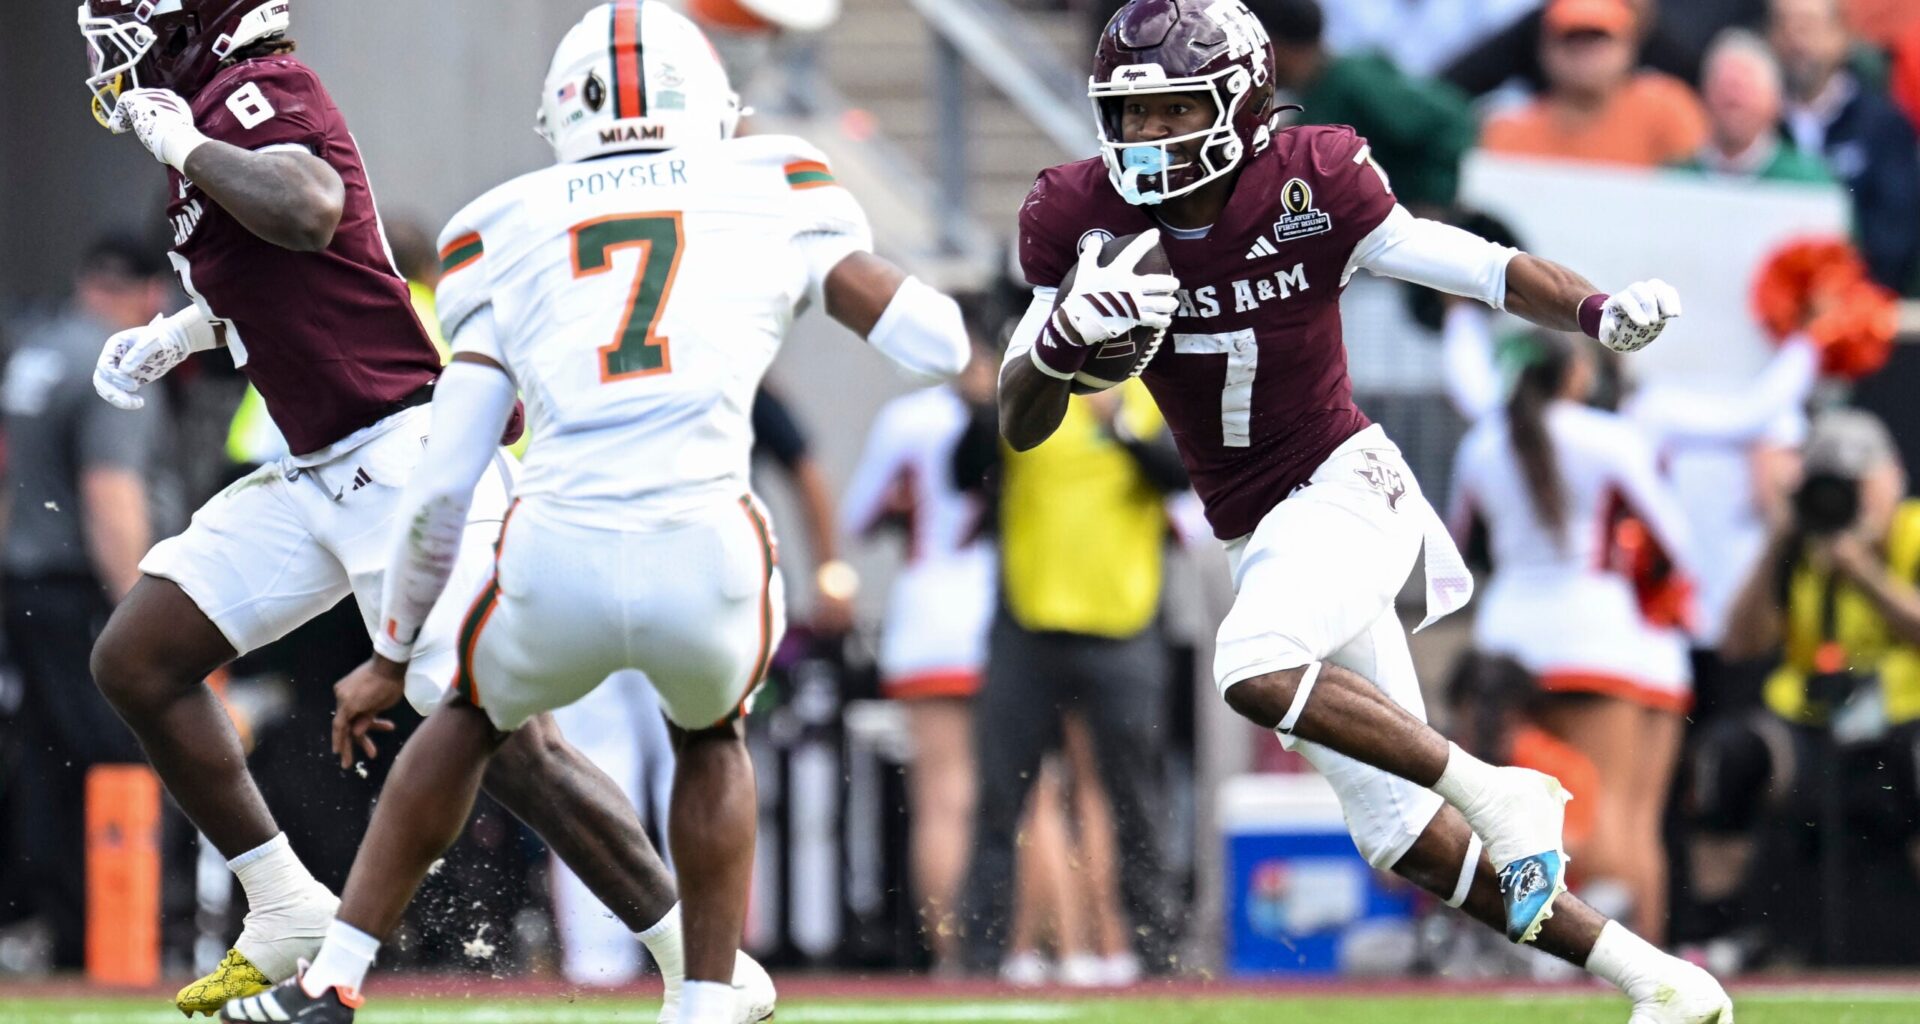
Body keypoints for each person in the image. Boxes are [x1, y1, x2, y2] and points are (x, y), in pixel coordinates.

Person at [998, 2, 1730, 1019]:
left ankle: (1495, 788)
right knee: (1405, 838)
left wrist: (1597, 311)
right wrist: (1060, 342)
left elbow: (1472, 264)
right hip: (1261, 530)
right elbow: (1018, 417)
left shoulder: (1313, 180)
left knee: (1252, 666)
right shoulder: (1081, 220)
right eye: (1132, 116)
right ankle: (1661, 977)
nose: (1149, 140)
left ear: (1242, 101)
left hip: (1346, 484)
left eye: (1173, 112)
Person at [245, 5, 967, 1023]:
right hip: (707, 552)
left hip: (557, 555)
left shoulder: (499, 223)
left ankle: (335, 978)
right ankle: (708, 997)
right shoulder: (775, 183)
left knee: (464, 718)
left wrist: (395, 650)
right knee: (711, 731)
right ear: (710, 106)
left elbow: (447, 477)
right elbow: (934, 343)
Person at [74, 1, 759, 1015]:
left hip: (403, 455)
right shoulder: (212, 122)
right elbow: (299, 276)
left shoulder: (252, 95)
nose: (108, 46)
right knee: (137, 656)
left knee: (510, 742)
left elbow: (306, 207)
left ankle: (705, 964)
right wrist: (186, 332)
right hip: (316, 470)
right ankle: (283, 907)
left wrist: (186, 139)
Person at [1448, 332, 1697, 942]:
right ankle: (1630, 969)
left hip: (1504, 644)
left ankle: (1519, 958)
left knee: (1514, 816)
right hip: (1599, 641)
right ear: (1577, 375)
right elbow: (1677, 545)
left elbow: (1457, 550)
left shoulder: (1481, 443)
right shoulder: (1610, 439)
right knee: (1619, 819)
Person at [958, 378, 1189, 977]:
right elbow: (963, 470)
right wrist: (986, 404)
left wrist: (1116, 424)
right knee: (1000, 794)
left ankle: (1156, 954)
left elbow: (1180, 474)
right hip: (1028, 623)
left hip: (1123, 622)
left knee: (1137, 795)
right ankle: (984, 959)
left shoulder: (1151, 391)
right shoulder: (1032, 382)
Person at [0, 234, 169, 969]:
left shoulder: (36, 352)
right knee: (113, 751)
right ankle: (116, 934)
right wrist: (139, 606)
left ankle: (54, 924)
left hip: (26, 584)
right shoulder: (111, 359)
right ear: (149, 294)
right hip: (80, 588)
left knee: (41, 758)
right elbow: (111, 488)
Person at [1708, 409, 1920, 961]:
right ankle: (1716, 937)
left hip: (1902, 721)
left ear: (1890, 476)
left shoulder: (1914, 530)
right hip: (1810, 720)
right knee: (1729, 759)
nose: (1847, 499)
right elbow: (1738, 643)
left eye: (1856, 484)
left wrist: (1864, 572)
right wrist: (1779, 538)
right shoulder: (1799, 545)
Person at [838, 343, 998, 965]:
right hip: (1011, 614)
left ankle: (955, 960)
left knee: (942, 799)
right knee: (1031, 795)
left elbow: (859, 515)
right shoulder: (1036, 399)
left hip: (931, 614)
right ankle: (1041, 958)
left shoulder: (910, 418)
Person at [1254, 0, 1477, 211]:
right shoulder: (1306, 95)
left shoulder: (1354, 81)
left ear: (1276, 45)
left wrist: (1431, 202)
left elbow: (1449, 120)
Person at [1770, 0, 1920, 293]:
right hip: (1764, 301)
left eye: (1808, 25)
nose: (1796, 39)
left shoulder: (1883, 126)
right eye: (1784, 25)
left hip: (1856, 304)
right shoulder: (1760, 123)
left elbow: (1896, 232)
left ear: (1842, 36)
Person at [1481, 0, 1709, 169]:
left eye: (1598, 38)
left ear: (1628, 46)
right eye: (1571, 37)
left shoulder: (1666, 112)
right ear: (1545, 50)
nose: (1584, 52)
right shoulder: (1508, 132)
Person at [1674, 28, 1834, 182]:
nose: (1734, 97)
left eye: (1745, 88)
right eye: (1725, 85)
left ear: (1774, 100)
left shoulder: (1806, 182)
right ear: (1704, 95)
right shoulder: (1675, 181)